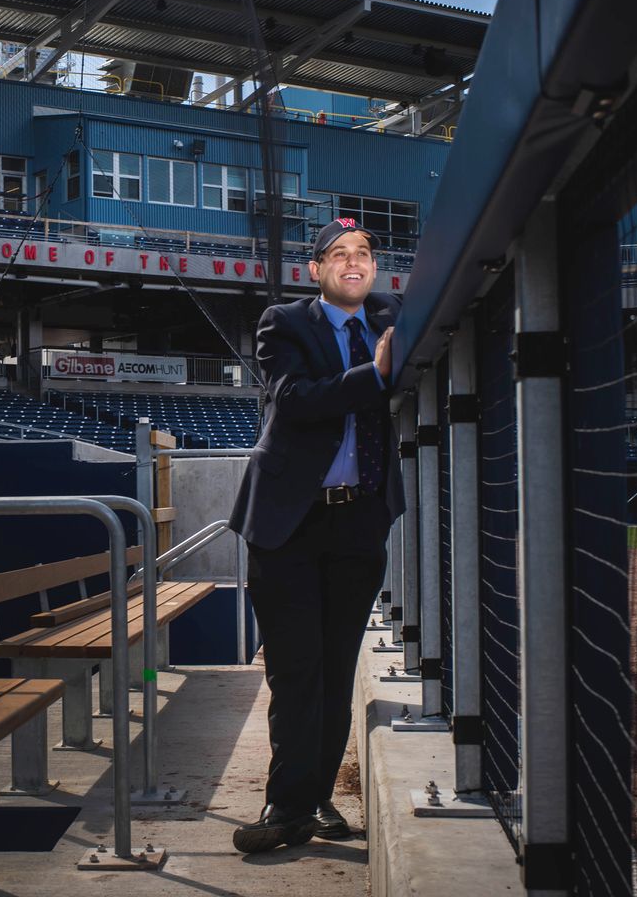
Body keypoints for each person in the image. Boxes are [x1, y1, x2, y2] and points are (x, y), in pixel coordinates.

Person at [229, 217, 405, 854]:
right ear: (315, 270)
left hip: (360, 520)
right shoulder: (287, 323)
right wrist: (375, 376)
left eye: (363, 253)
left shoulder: (389, 315)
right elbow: (295, 400)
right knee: (297, 670)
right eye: (338, 255)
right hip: (288, 523)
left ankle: (314, 797)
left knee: (334, 670)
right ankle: (285, 804)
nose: (353, 262)